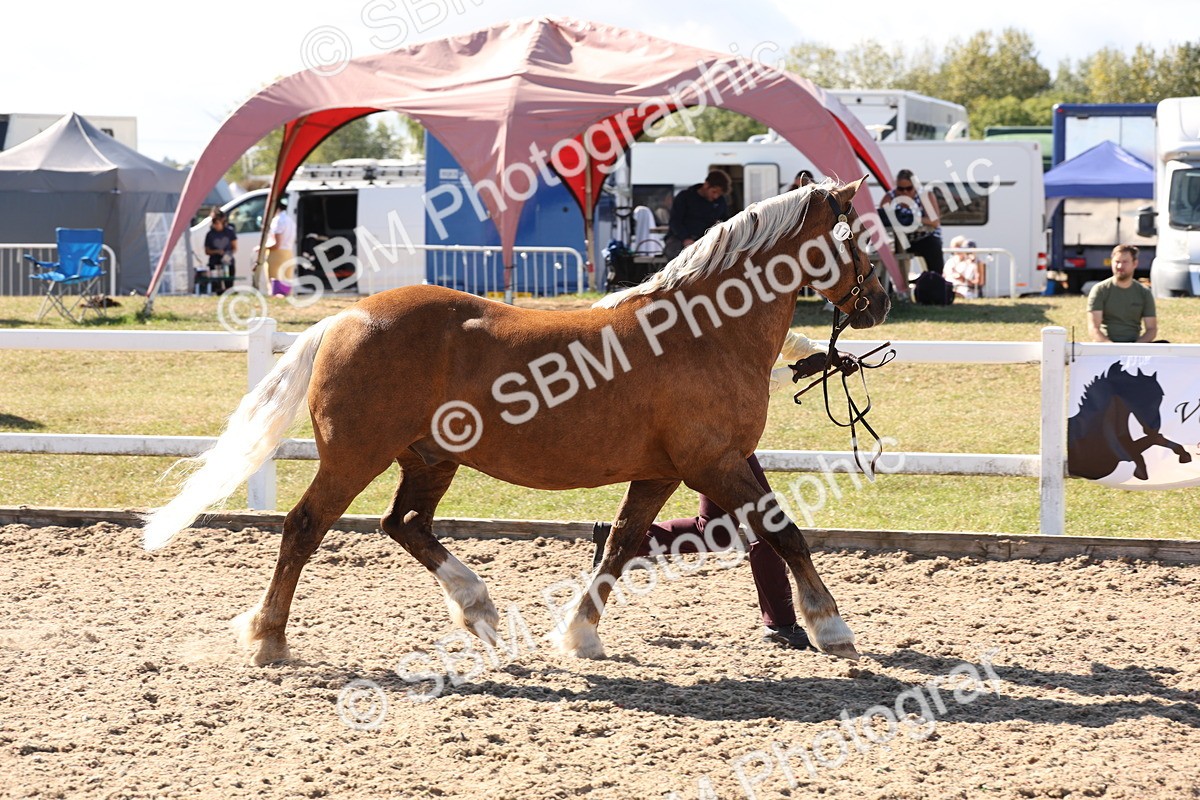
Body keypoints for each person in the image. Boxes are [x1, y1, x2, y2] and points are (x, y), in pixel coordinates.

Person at [590, 331, 829, 651]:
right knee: (767, 524)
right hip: (713, 438)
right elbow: (743, 388)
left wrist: (830, 356)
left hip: (726, 438)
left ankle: (623, 542)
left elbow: (789, 342)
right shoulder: (711, 323)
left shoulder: (751, 313)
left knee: (715, 533)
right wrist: (798, 371)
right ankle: (781, 623)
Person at [1087, 244, 1158, 343]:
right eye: (1117, 262)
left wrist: (1135, 347)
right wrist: (1110, 346)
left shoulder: (1144, 293)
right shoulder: (1100, 290)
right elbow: (1093, 328)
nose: (1120, 266)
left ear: (1135, 264)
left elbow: (1151, 329)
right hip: (1105, 347)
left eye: (1125, 262)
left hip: (1134, 347)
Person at [881, 168, 944, 274]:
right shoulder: (890, 197)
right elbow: (880, 217)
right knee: (881, 251)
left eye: (909, 188)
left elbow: (935, 222)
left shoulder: (925, 195)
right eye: (901, 189)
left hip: (924, 237)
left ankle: (936, 281)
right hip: (900, 239)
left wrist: (912, 218)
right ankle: (888, 285)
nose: (904, 192)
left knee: (933, 247)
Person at [662, 169, 732, 261]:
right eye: (714, 192)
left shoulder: (720, 201)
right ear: (706, 184)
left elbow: (725, 220)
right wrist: (685, 239)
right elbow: (675, 221)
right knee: (676, 255)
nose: (715, 197)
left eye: (719, 194)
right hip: (679, 239)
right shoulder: (684, 197)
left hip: (705, 240)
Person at [264, 197, 296, 297]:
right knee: (286, 289)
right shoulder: (290, 220)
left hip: (277, 256)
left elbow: (276, 244)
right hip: (288, 254)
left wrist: (263, 248)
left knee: (276, 289)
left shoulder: (278, 220)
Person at [202, 208, 237, 295]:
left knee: (229, 285)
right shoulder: (210, 234)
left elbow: (234, 247)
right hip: (214, 262)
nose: (216, 225)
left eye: (217, 222)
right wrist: (217, 252)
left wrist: (227, 255)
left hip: (228, 263)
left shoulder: (229, 232)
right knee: (217, 286)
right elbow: (207, 251)